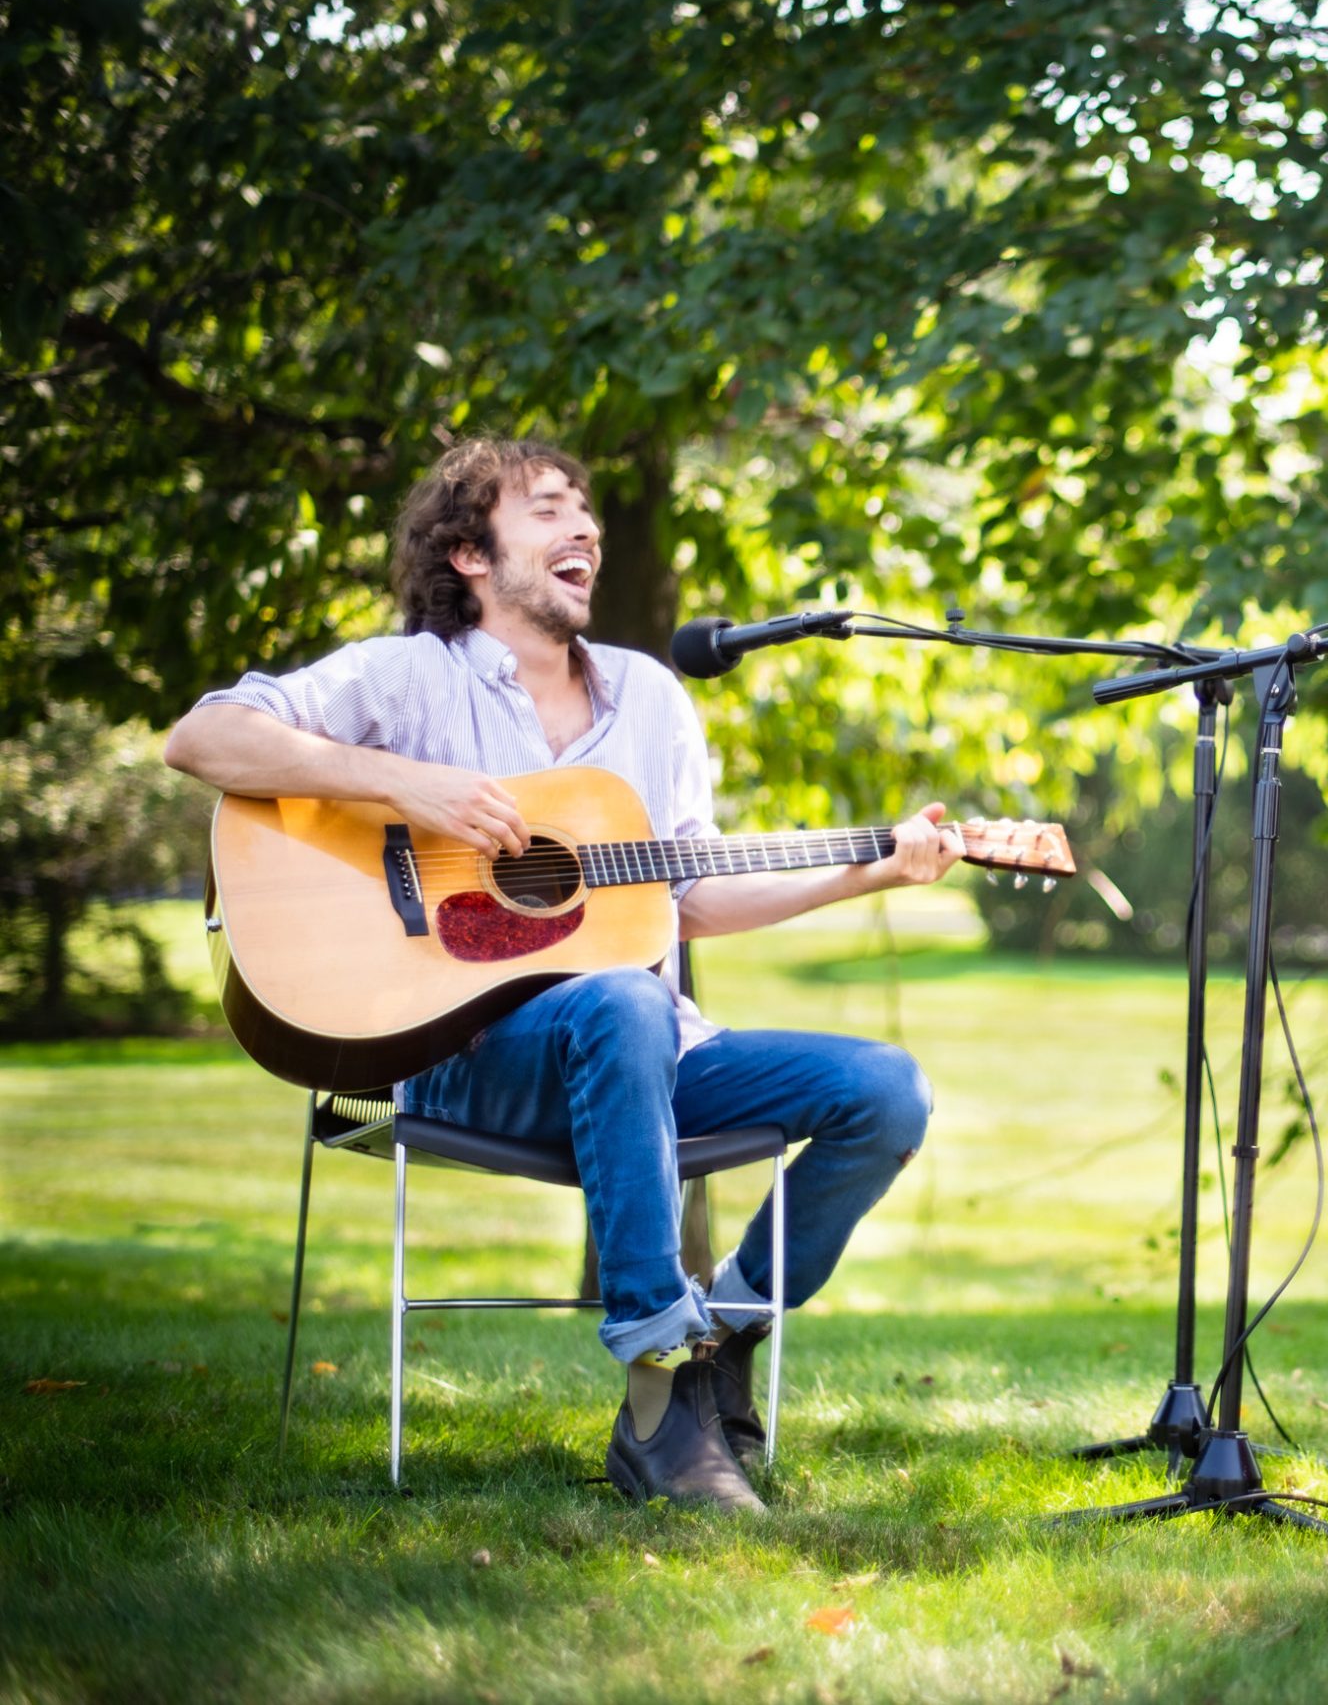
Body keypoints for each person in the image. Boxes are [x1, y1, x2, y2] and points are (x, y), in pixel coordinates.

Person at [165, 438, 961, 1513]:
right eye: (548, 509)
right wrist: (407, 785)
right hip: (455, 1050)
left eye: (586, 509)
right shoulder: (406, 676)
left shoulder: (650, 696)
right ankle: (656, 1395)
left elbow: (683, 896)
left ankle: (722, 1335)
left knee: (883, 1090)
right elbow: (202, 736)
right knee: (622, 999)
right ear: (469, 553)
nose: (585, 526)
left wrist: (869, 875)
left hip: (643, 1046)